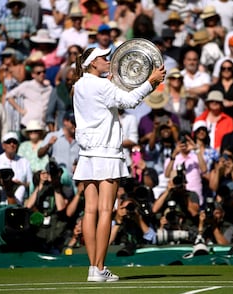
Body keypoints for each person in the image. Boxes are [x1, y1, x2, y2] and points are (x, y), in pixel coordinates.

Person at [72, 46, 165, 282]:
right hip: (106, 153)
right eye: (104, 58)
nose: (108, 60)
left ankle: (93, 268)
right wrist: (151, 82)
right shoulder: (101, 86)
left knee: (90, 211)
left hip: (88, 154)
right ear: (93, 63)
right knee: (105, 211)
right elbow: (131, 101)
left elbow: (105, 100)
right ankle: (99, 267)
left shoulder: (79, 85)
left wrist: (111, 83)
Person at [0, 132, 33, 206]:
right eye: (8, 142)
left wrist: (19, 184)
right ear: (3, 145)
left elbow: (30, 184)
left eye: (14, 142)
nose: (12, 145)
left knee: (21, 189)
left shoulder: (25, 162)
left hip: (18, 195)